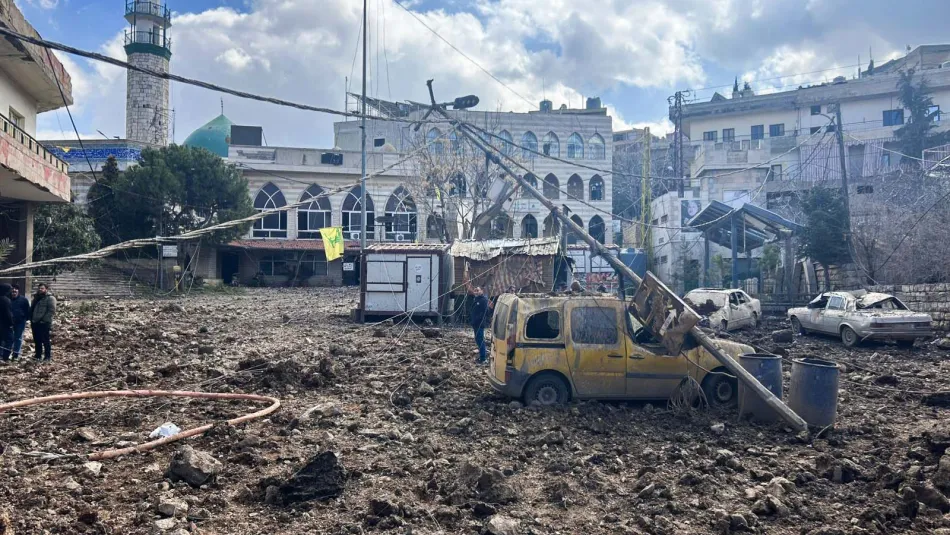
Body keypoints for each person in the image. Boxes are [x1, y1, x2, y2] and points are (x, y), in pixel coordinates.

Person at [466, 281, 491, 364]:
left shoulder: (483, 300)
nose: (476, 292)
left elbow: (485, 312)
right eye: (475, 290)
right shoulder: (476, 299)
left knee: (480, 340)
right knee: (477, 339)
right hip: (475, 323)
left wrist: (478, 319)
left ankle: (483, 358)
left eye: (477, 290)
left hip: (480, 323)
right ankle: (481, 356)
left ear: (482, 291)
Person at [30, 283, 56, 362]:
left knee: (45, 340)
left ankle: (47, 356)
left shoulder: (50, 298)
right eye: (39, 288)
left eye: (42, 288)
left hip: (44, 323)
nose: (40, 290)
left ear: (46, 289)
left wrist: (44, 320)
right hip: (35, 322)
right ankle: (38, 355)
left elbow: (51, 311)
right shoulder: (36, 297)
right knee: (37, 340)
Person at [10, 285, 29, 360]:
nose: (14, 291)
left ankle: (16, 354)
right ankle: (6, 353)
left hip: (20, 322)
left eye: (16, 289)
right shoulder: (7, 299)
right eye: (13, 289)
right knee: (9, 338)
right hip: (9, 322)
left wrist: (24, 318)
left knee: (18, 338)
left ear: (18, 291)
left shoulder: (23, 300)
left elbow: (27, 310)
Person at [0, 284, 12, 362]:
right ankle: (5, 357)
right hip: (5, 325)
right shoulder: (6, 300)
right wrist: (11, 323)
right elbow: (8, 314)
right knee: (9, 340)